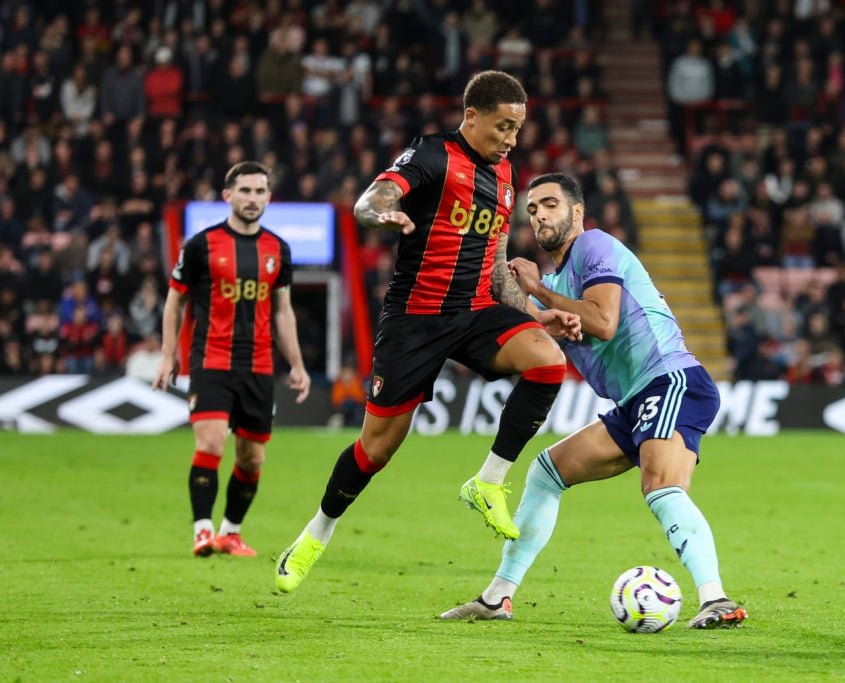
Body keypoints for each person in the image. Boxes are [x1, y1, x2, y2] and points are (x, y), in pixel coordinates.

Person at [274, 71, 581, 593]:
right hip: (415, 320)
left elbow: (496, 264)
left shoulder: (505, 177)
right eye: (503, 126)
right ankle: (315, 532)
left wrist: (533, 314)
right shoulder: (432, 156)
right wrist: (383, 215)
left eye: (517, 129)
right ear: (471, 117)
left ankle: (488, 482)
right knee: (376, 449)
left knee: (548, 361)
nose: (510, 138)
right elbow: (369, 201)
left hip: (476, 310)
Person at [440, 174, 748, 629]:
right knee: (547, 473)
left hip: (670, 379)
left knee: (661, 485)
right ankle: (497, 597)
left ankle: (716, 599)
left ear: (576, 212)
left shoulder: (594, 247)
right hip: (634, 399)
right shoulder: (561, 279)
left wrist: (537, 289)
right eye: (532, 209)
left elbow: (603, 322)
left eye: (549, 204)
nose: (539, 215)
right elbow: (548, 328)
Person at [152, 161, 311, 558]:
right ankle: (202, 531)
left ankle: (231, 533)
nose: (253, 199)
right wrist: (167, 355)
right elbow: (175, 300)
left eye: (260, 192)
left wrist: (297, 364)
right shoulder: (201, 245)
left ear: (269, 198)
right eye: (245, 191)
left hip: (259, 365)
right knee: (211, 441)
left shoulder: (278, 249)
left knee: (252, 457)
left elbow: (282, 312)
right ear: (228, 196)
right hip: (211, 360)